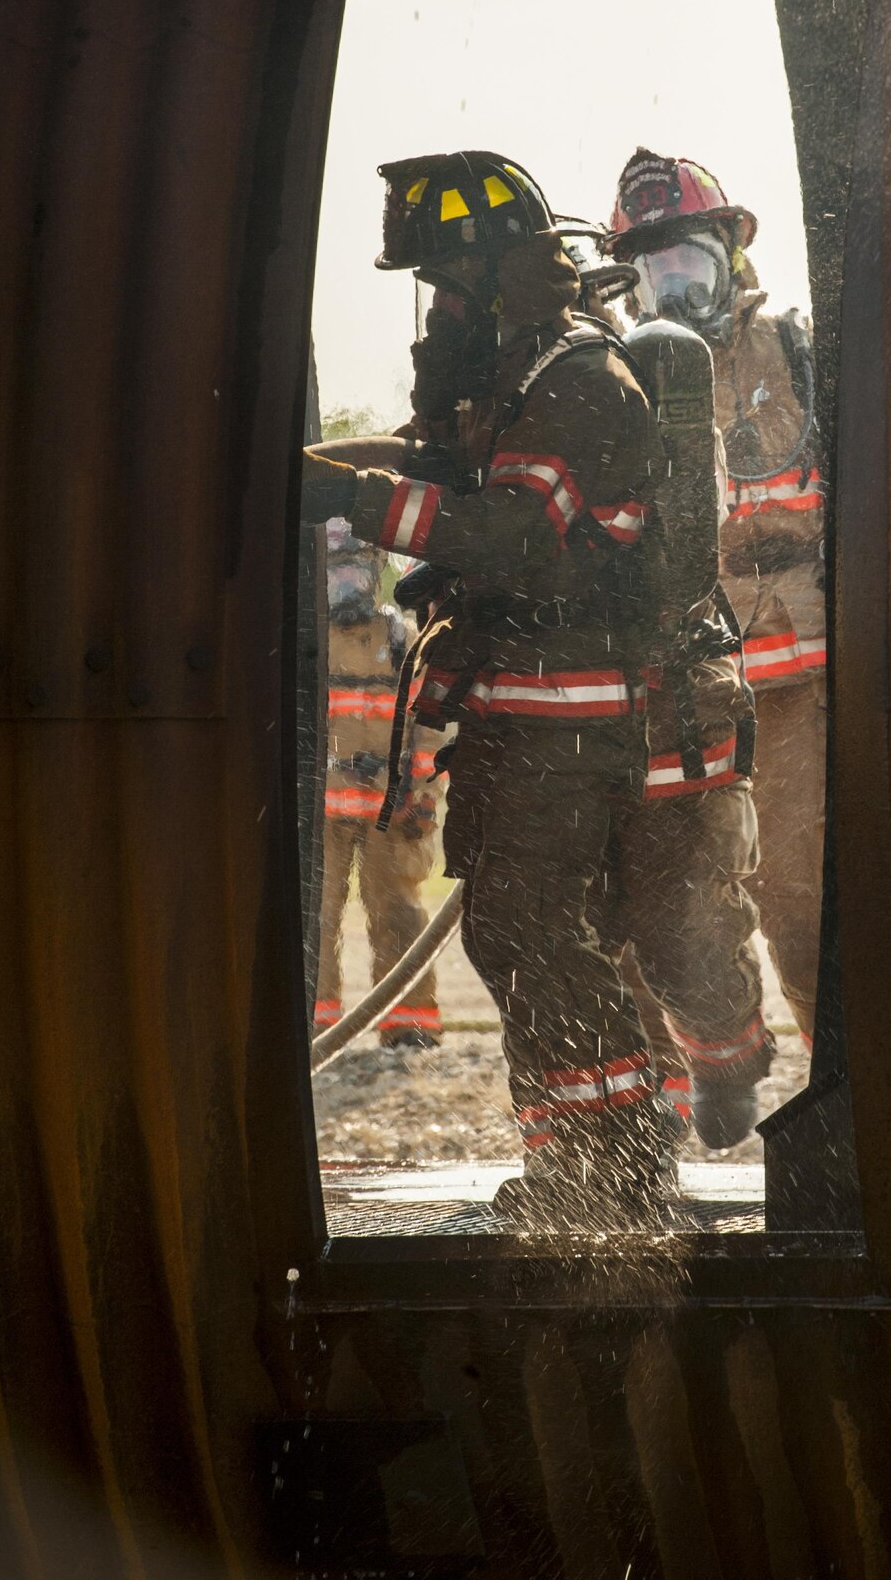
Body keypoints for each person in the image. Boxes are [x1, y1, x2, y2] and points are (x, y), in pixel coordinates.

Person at [302, 150, 679, 1231]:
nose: (440, 311)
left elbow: (511, 536)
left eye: (450, 286)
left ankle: (612, 1171)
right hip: (527, 716)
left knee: (539, 935)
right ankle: (580, 1161)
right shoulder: (518, 381)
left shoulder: (573, 380)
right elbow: (438, 461)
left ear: (504, 272)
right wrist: (306, 468)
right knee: (518, 935)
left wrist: (350, 499)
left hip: (574, 719)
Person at [607, 149, 826, 1047]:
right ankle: (683, 1084)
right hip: (676, 691)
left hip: (797, 684)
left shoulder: (800, 354)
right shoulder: (613, 376)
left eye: (689, 263)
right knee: (654, 903)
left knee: (804, 896)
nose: (676, 291)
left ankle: (835, 1092)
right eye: (654, 273)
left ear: (730, 256)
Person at [311, 519, 444, 1047]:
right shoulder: (308, 638)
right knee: (313, 919)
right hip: (321, 810)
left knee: (399, 914)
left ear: (374, 568)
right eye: (336, 569)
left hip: (389, 808)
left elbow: (430, 723)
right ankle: (314, 1027)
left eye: (355, 567)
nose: (346, 581)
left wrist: (424, 795)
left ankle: (409, 1026)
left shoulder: (401, 637)